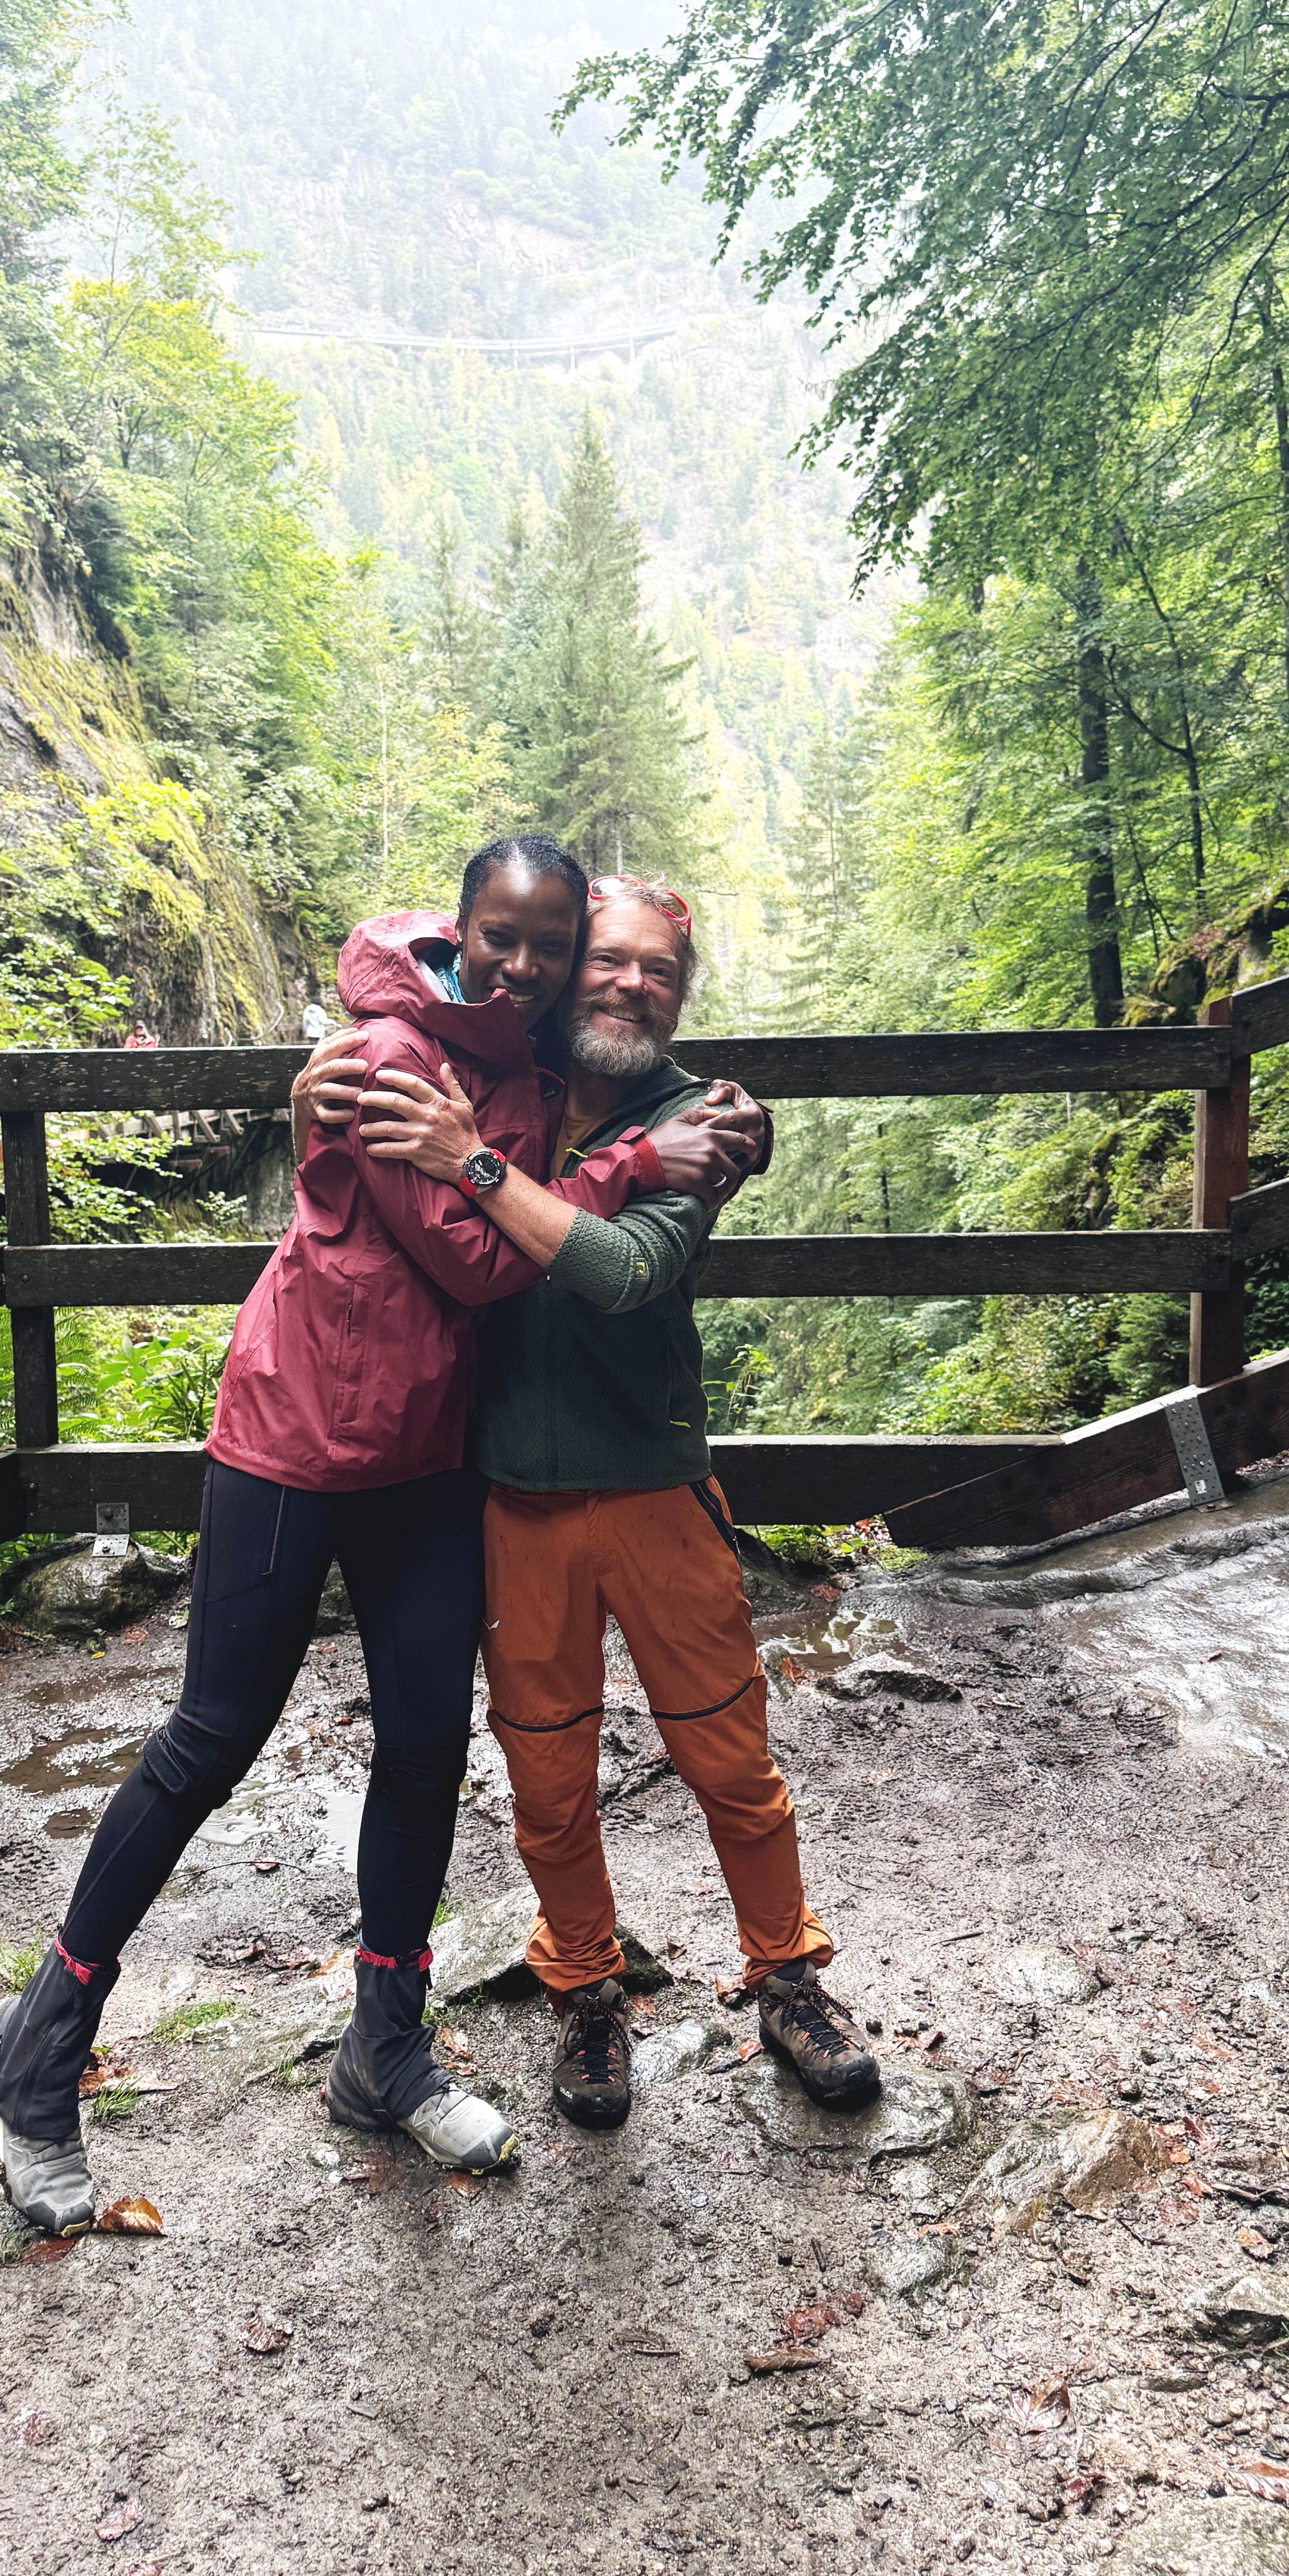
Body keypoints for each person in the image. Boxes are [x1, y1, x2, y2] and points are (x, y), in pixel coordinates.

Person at [0, 836, 761, 2234]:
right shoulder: (393, 1049)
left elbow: (548, 1188)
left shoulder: (522, 1056)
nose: (524, 965)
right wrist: (635, 1158)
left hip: (428, 1456)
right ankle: (38, 2043)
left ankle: (382, 2047)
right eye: (498, 938)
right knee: (209, 1740)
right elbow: (473, 1257)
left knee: (420, 1748)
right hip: (297, 1439)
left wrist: (686, 1136)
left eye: (550, 944)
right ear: (457, 928)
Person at [304, 873, 882, 2131]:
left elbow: (623, 1271)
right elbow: (407, 980)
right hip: (511, 1497)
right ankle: (586, 1989)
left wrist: (470, 1161)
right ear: (565, 971)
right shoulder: (508, 1080)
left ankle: (789, 1977)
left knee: (729, 1752)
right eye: (606, 962)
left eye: (659, 973)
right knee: (548, 1776)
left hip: (658, 1486)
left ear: (682, 997)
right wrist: (314, 1080)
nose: (630, 986)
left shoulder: (704, 1123)